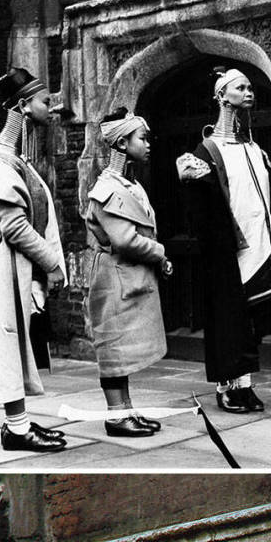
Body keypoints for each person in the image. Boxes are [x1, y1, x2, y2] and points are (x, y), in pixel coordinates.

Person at [0, 67, 67, 453]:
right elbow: (15, 227)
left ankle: (19, 422)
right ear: (24, 107)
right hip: (1, 265)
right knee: (8, 342)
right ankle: (16, 428)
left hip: (15, 264)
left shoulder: (16, 161)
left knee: (18, 341)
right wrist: (54, 265)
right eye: (45, 101)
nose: (52, 108)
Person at [177, 69, 271, 414]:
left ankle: (246, 385)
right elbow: (200, 207)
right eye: (240, 87)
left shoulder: (254, 148)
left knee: (250, 319)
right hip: (227, 249)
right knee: (227, 318)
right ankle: (225, 387)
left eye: (251, 87)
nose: (248, 92)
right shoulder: (207, 149)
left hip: (260, 244)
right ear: (222, 95)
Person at [85, 109, 173, 438]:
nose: (148, 144)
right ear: (122, 143)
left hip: (126, 276)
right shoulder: (108, 188)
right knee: (113, 349)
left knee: (122, 350)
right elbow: (124, 239)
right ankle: (116, 416)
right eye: (142, 138)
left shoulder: (129, 184)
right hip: (113, 278)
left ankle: (127, 411)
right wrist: (161, 252)